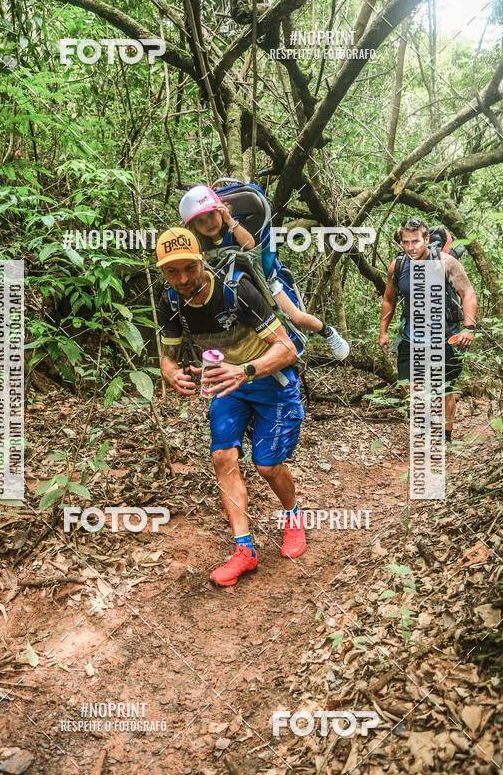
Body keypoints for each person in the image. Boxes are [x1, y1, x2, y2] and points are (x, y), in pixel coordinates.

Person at [156, 226, 307, 587]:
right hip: (227, 383)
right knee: (223, 457)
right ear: (162, 272)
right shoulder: (171, 301)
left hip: (270, 380)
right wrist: (172, 373)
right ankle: (244, 550)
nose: (182, 278)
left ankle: (293, 516)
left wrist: (246, 370)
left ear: (201, 260)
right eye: (171, 271)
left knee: (267, 465)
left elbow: (286, 348)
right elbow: (166, 356)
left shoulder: (236, 289)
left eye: (188, 268)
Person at [178, 185, 350, 360]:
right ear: (193, 226)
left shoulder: (233, 228)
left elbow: (249, 245)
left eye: (211, 215)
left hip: (263, 282)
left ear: (221, 211)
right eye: (200, 221)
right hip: (234, 293)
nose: (208, 223)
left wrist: (230, 221)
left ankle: (328, 332)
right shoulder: (200, 245)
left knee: (296, 317)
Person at [379, 217, 478, 443]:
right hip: (410, 337)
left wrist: (468, 328)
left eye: (415, 241)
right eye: (406, 242)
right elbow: (389, 298)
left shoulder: (446, 263)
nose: (410, 247)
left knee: (445, 388)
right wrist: (383, 331)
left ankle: (445, 435)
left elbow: (467, 293)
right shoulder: (399, 265)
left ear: (426, 239)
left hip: (445, 337)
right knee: (408, 386)